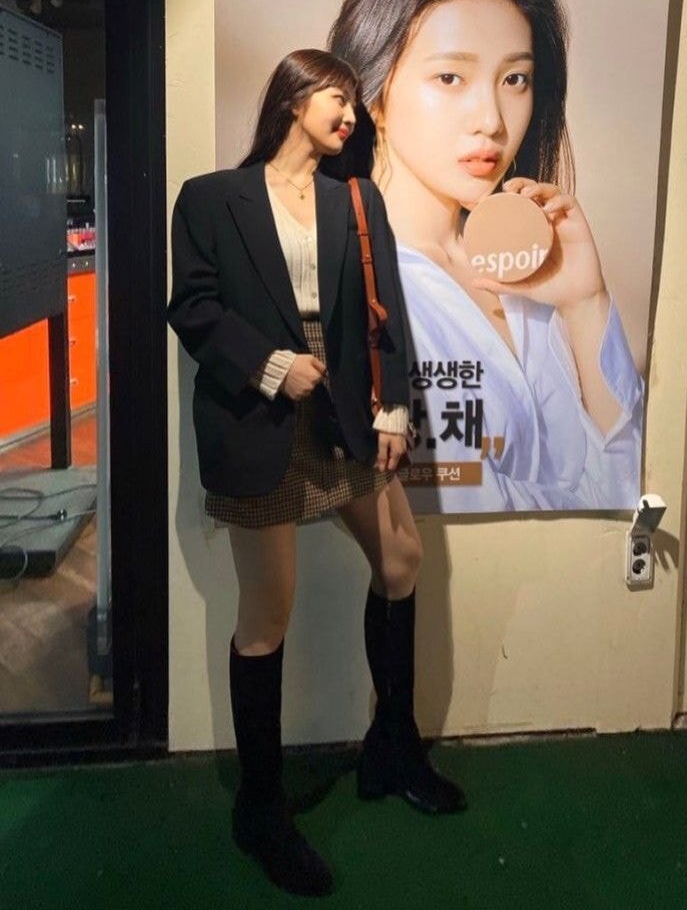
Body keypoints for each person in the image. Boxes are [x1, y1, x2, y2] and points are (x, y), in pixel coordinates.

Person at [168, 49, 465, 898]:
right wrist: (272, 366)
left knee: (402, 560)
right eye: (339, 97)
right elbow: (193, 306)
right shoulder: (211, 197)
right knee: (269, 612)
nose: (352, 115)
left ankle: (391, 747)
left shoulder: (355, 199)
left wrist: (393, 408)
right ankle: (260, 809)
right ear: (295, 96)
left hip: (343, 411)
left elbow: (385, 312)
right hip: (257, 415)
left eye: (356, 104)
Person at [327, 0, 644, 512]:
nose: (492, 120)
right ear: (371, 96)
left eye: (514, 79)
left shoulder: (527, 273)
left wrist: (585, 304)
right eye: (450, 77)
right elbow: (472, 515)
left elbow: (634, 493)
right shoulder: (350, 284)